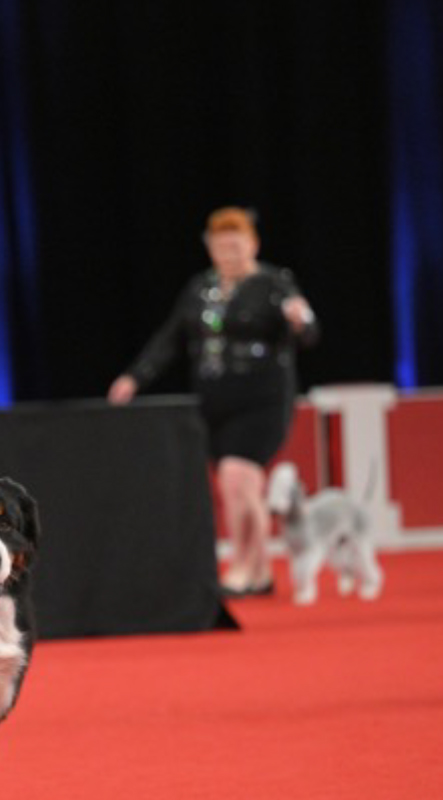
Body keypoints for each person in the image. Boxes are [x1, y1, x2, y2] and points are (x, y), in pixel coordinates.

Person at [107, 206, 318, 597]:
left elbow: (307, 330)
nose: (228, 255)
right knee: (237, 488)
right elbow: (170, 337)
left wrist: (299, 320)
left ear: (253, 244)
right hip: (215, 402)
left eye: (236, 247)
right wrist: (135, 377)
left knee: (237, 476)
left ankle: (240, 565)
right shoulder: (200, 288)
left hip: (263, 399)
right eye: (221, 248)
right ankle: (261, 571)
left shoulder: (275, 283)